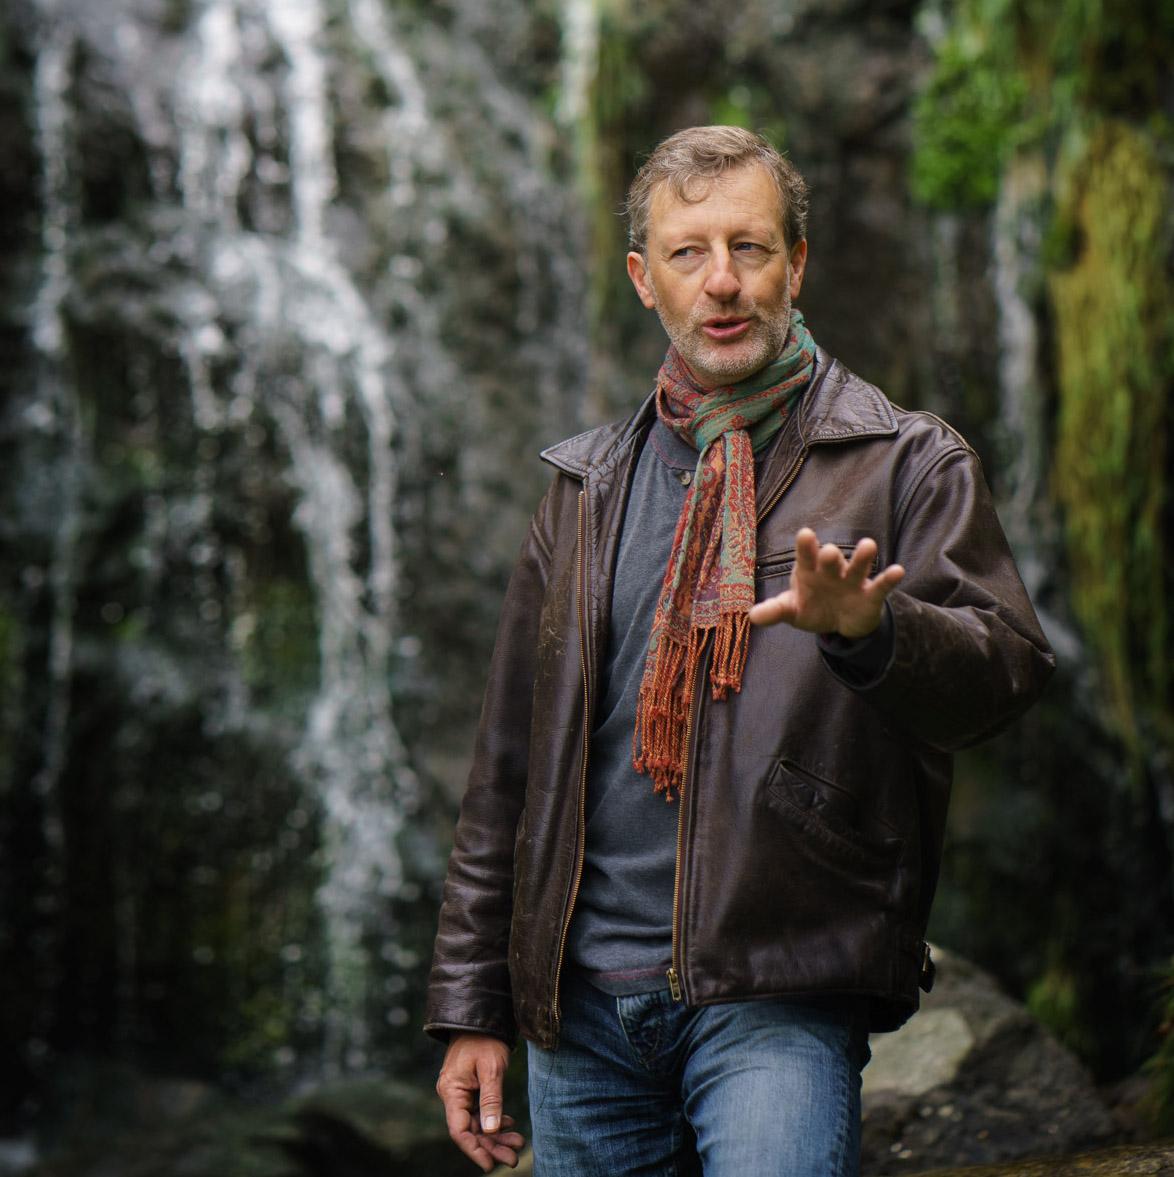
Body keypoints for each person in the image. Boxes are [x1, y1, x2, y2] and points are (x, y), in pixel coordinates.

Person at [425, 125, 1054, 1176]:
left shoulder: (903, 460)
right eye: (687, 253)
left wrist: (871, 629)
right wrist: (471, 1006)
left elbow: (1002, 678)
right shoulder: (583, 491)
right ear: (643, 279)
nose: (722, 282)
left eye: (750, 248)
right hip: (578, 1017)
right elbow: (505, 774)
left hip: (779, 988)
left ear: (795, 263)